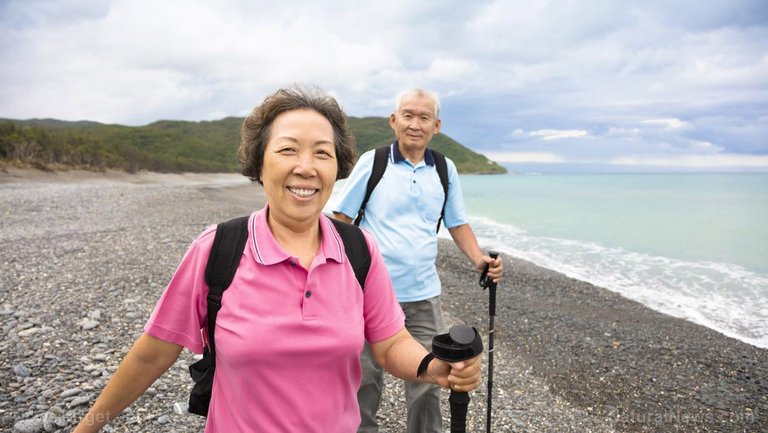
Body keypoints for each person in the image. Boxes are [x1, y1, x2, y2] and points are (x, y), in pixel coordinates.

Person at [72, 86, 481, 433]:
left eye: (322, 153)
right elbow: (152, 353)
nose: (306, 168)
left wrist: (431, 367)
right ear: (260, 162)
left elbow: (390, 343)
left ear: (336, 167)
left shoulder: (359, 250)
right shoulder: (218, 250)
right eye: (288, 150)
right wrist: (89, 425)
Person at [332, 88, 503, 433]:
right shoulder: (373, 162)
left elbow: (456, 222)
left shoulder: (444, 168)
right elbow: (341, 219)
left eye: (424, 117)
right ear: (394, 121)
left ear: (436, 125)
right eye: (408, 115)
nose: (415, 124)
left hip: (424, 295)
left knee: (431, 379)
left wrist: (479, 259)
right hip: (368, 295)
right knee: (365, 382)